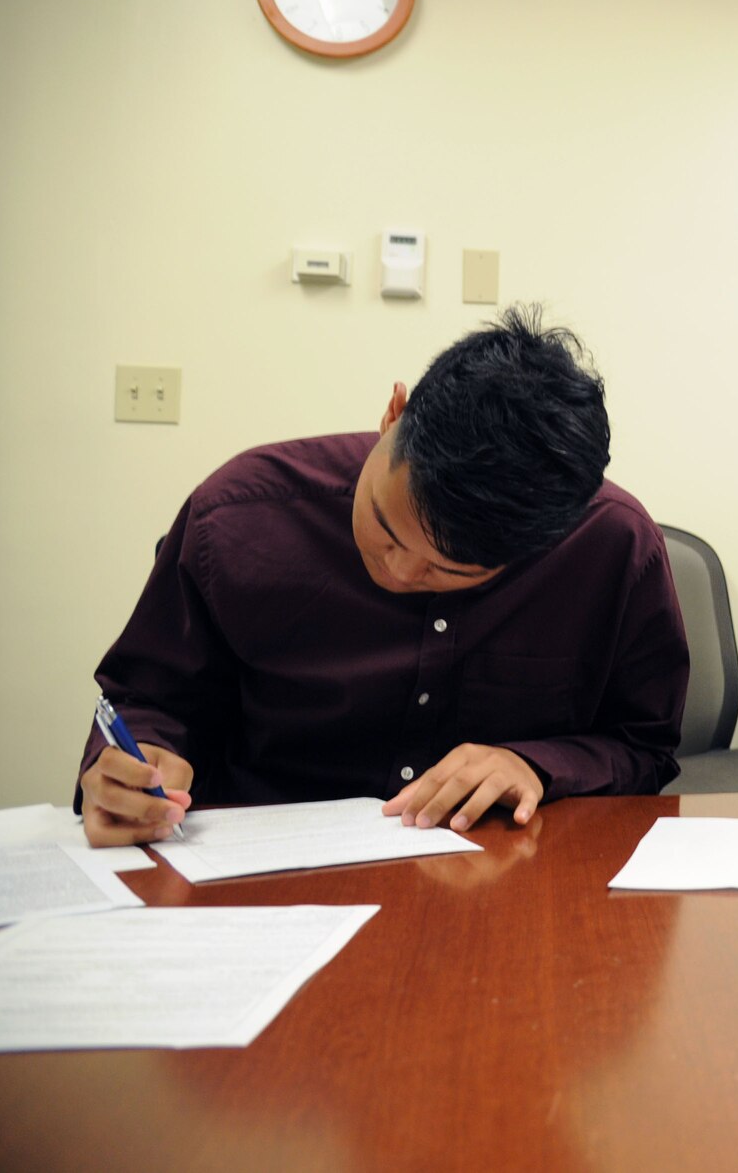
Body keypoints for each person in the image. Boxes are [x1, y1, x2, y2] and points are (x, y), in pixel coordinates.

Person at [77, 307, 690, 846]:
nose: (397, 570)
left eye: (451, 570)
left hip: (503, 887)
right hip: (261, 879)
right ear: (393, 416)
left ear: (547, 539)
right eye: (383, 524)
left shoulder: (613, 546)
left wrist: (540, 765)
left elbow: (645, 746)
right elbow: (146, 700)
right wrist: (135, 766)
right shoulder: (238, 517)